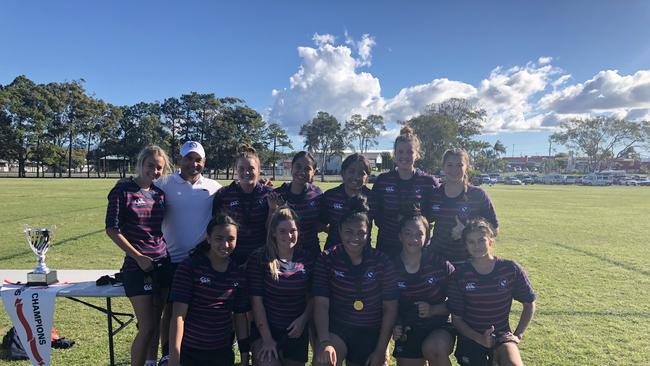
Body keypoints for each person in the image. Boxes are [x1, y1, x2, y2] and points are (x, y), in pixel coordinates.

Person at [105, 145, 173, 366]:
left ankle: (152, 362)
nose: (154, 170)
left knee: (158, 320)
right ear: (141, 163)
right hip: (137, 268)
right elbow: (112, 230)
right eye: (150, 165)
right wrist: (138, 257)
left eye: (159, 168)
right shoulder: (122, 190)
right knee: (146, 326)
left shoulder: (159, 194)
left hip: (163, 263)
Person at [155, 141, 222, 364]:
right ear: (180, 159)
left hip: (201, 261)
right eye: (188, 158)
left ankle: (190, 351)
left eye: (198, 160)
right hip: (171, 259)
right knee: (170, 309)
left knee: (197, 309)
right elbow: (141, 188)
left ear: (203, 162)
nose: (193, 163)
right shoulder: (163, 183)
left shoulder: (214, 187)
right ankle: (167, 354)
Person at [313, 196, 398, 366]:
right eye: (349, 232)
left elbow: (390, 308)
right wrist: (324, 342)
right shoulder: (327, 258)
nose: (355, 238)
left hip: (371, 332)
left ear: (369, 232)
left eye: (361, 233)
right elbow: (321, 303)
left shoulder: (382, 261)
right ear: (339, 230)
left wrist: (381, 350)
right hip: (339, 330)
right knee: (324, 362)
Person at [447, 218, 536, 366]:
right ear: (466, 246)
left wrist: (517, 335)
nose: (477, 246)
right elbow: (456, 319)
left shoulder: (509, 269)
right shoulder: (459, 275)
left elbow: (529, 303)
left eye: (481, 240)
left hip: (502, 336)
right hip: (471, 338)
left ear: (490, 241)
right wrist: (480, 338)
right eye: (471, 242)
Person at [168, 214, 250, 366]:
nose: (225, 245)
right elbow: (178, 316)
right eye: (219, 238)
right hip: (190, 352)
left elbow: (239, 317)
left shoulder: (237, 272)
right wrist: (174, 358)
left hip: (222, 353)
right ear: (208, 238)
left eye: (231, 239)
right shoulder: (190, 267)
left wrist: (245, 356)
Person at [247, 206, 314, 366]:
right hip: (267, 331)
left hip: (295, 332)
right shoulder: (260, 258)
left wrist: (303, 319)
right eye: (283, 231)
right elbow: (256, 303)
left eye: (293, 230)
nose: (289, 235)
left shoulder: (307, 258)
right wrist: (267, 339)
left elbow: (313, 297)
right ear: (274, 232)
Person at [392, 208, 455, 366]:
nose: (413, 239)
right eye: (408, 233)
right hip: (408, 328)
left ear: (427, 237)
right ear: (400, 236)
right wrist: (396, 324)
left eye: (419, 234)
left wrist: (434, 310)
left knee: (434, 348)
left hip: (438, 326)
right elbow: (387, 305)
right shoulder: (390, 267)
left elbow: (459, 301)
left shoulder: (440, 264)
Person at [371, 127, 439, 257]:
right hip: (387, 246)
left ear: (417, 154)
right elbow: (376, 215)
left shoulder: (428, 182)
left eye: (409, 152)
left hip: (418, 248)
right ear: (394, 154)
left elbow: (434, 215)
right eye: (400, 152)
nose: (404, 156)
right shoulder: (383, 181)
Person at [429, 149, 499, 263]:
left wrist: (466, 231)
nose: (454, 169)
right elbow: (423, 221)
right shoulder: (434, 194)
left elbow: (495, 230)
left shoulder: (478, 195)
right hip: (438, 262)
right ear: (443, 167)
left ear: (467, 167)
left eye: (459, 165)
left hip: (469, 263)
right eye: (450, 165)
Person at [212, 144, 274, 265]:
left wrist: (272, 210)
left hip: (260, 257)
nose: (246, 172)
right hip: (230, 257)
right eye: (241, 168)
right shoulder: (224, 194)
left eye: (251, 168)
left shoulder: (268, 194)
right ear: (236, 170)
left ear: (258, 170)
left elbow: (272, 228)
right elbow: (215, 226)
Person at [267, 151, 323, 259]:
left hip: (311, 253)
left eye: (307, 168)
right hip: (282, 253)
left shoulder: (318, 194)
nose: (302, 171)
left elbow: (321, 225)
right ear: (291, 168)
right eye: (298, 166)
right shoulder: (279, 193)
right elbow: (269, 228)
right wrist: (273, 210)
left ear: (314, 172)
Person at [320, 153, 374, 250]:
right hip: (333, 253)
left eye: (361, 173)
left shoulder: (373, 197)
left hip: (364, 254)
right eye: (351, 171)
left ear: (367, 177)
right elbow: (322, 224)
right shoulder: (330, 196)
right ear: (343, 173)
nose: (356, 177)